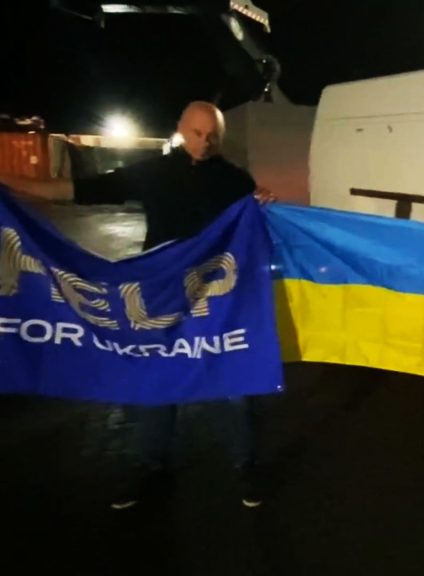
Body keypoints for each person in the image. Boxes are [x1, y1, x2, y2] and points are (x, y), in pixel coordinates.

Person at [0, 101, 276, 510]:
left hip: (214, 297)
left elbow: (256, 223)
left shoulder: (235, 180)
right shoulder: (156, 172)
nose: (204, 142)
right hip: (160, 293)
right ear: (181, 127)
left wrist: (264, 202)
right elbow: (77, 190)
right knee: (157, 378)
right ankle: (150, 465)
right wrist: (9, 181)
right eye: (197, 132)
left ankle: (245, 465)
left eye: (212, 136)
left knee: (232, 380)